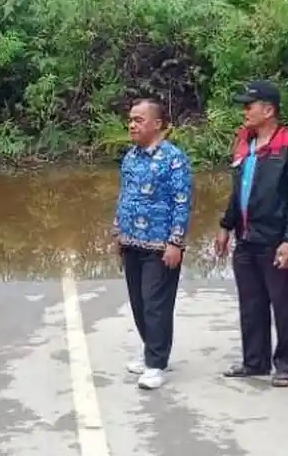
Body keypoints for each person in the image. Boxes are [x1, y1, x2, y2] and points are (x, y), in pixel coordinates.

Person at [215, 79, 288, 388]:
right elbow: (237, 191)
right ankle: (254, 361)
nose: (244, 111)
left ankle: (287, 364)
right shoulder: (244, 142)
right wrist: (226, 226)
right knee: (251, 302)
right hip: (246, 237)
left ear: (268, 110)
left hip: (274, 239)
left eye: (249, 105)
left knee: (281, 302)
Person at [113, 98, 193, 391]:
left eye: (139, 120)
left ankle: (156, 363)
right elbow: (124, 197)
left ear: (157, 124)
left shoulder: (174, 159)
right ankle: (152, 350)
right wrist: (117, 234)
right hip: (131, 241)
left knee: (156, 305)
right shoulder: (131, 157)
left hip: (160, 246)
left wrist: (175, 242)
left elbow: (182, 203)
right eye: (131, 120)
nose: (132, 125)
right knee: (138, 303)